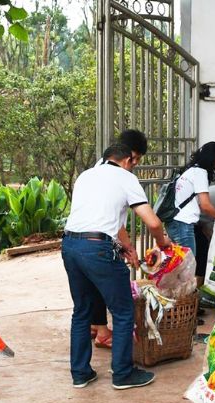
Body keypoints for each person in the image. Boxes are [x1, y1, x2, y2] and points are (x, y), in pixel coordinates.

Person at [62, 143, 171, 389]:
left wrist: (122, 246)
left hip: (70, 244)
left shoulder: (86, 175)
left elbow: (95, 218)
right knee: (122, 312)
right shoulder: (126, 178)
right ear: (129, 160)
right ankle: (122, 373)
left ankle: (80, 373)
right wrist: (163, 243)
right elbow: (153, 223)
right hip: (98, 249)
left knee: (81, 311)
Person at [91, 129, 149, 350]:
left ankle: (95, 325)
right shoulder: (119, 174)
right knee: (113, 291)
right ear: (128, 154)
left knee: (92, 284)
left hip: (78, 238)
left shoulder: (99, 168)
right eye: (135, 159)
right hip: (99, 240)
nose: (134, 164)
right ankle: (104, 333)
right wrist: (128, 246)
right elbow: (120, 221)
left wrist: (126, 245)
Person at [164, 142, 215, 256]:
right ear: (211, 159)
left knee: (178, 267)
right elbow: (205, 205)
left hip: (175, 222)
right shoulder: (200, 172)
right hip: (183, 225)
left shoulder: (190, 170)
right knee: (187, 267)